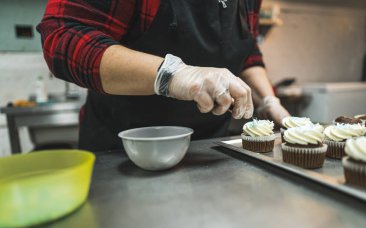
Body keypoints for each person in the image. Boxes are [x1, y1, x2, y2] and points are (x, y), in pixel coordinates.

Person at [37, 0, 289, 151]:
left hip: (210, 152)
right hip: (123, 150)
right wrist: (172, 75)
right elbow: (63, 34)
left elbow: (246, 51)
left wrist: (268, 101)